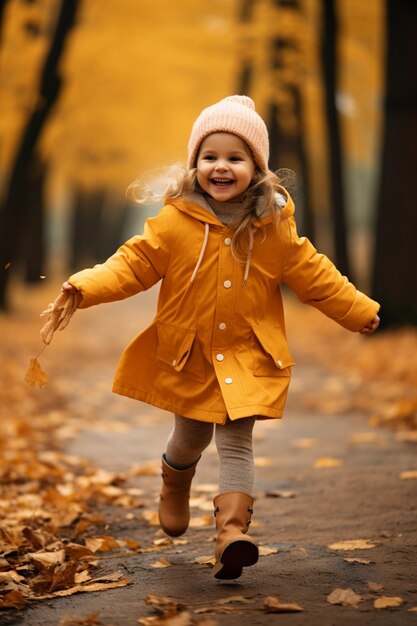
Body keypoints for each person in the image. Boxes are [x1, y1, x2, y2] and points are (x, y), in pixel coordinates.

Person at [57, 95, 380, 580]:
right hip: (191, 354)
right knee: (190, 439)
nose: (221, 167)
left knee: (236, 443)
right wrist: (84, 285)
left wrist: (358, 311)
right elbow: (133, 264)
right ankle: (174, 481)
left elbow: (317, 275)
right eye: (210, 157)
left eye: (235, 157)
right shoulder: (174, 223)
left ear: (256, 167)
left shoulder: (274, 228)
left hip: (249, 354)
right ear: (195, 164)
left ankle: (232, 534)